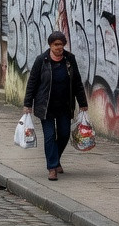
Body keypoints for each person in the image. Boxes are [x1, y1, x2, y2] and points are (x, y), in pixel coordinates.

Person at [22, 31, 89, 180]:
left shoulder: (69, 59)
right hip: (46, 106)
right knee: (50, 136)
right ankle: (52, 167)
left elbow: (77, 81)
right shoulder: (42, 60)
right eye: (55, 44)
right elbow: (32, 82)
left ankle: (56, 158)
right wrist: (28, 104)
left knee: (64, 134)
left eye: (61, 44)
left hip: (65, 105)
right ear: (50, 45)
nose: (59, 47)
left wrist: (82, 103)